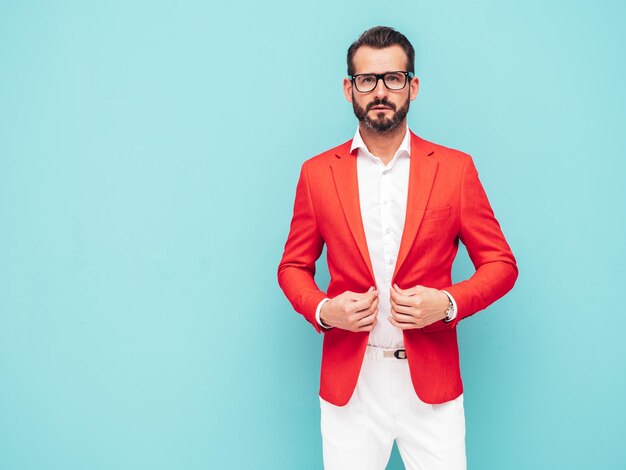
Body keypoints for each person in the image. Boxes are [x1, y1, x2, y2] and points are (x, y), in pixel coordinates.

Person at [277, 26, 518, 470]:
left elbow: (501, 264)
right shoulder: (316, 174)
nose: (380, 91)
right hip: (351, 384)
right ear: (349, 88)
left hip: (432, 384)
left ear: (413, 86)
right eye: (368, 80)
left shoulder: (455, 169)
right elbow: (293, 266)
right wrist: (324, 310)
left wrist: (447, 303)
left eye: (393, 78)